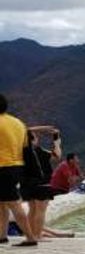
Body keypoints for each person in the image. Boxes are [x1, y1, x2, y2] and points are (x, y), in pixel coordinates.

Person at [0, 94, 39, 246]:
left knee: (13, 202)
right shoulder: (18, 123)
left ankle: (30, 237)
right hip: (17, 166)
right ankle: (2, 235)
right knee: (2, 202)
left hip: (2, 167)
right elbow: (25, 146)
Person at [21, 127, 61, 242]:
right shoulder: (39, 151)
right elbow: (57, 156)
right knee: (40, 211)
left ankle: (31, 235)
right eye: (36, 137)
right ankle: (37, 236)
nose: (37, 139)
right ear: (33, 140)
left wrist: (42, 128)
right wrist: (56, 140)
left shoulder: (21, 151)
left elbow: (25, 129)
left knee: (32, 210)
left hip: (27, 184)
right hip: (42, 184)